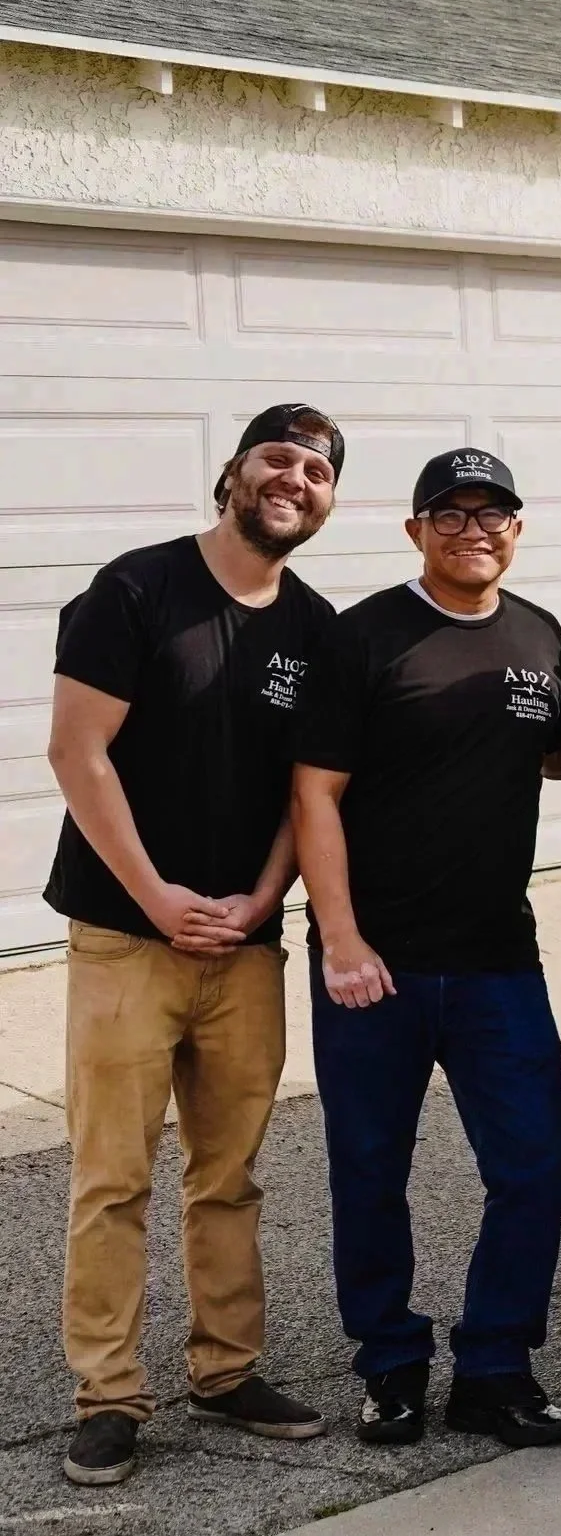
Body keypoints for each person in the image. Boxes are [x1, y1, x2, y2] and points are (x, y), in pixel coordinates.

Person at [48, 404, 344, 1487]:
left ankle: (225, 1370)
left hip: (244, 952)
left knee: (230, 1177)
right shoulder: (135, 591)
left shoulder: (314, 630)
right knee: (112, 1177)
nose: (294, 478)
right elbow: (79, 755)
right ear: (232, 473)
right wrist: (158, 896)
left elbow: (308, 795)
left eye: (317, 470)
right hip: (127, 939)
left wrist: (264, 898)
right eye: (278, 456)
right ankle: (109, 1396)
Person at [291, 448, 561, 1451]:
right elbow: (313, 796)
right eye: (449, 514)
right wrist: (339, 939)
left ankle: (495, 1367)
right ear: (415, 530)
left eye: (491, 512)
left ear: (517, 526)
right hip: (374, 966)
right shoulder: (363, 637)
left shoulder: (541, 637)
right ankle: (390, 1366)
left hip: (500, 957)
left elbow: (557, 757)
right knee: (368, 1171)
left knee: (537, 1164)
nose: (473, 529)